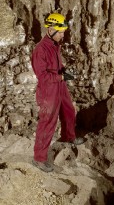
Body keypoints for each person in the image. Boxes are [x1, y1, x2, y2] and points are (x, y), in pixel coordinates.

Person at [31, 13, 84, 172]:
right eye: (60, 32)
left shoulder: (55, 44)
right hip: (48, 90)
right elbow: (43, 76)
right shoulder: (41, 49)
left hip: (59, 85)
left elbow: (54, 67)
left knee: (69, 111)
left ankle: (69, 136)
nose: (63, 35)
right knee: (47, 122)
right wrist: (61, 76)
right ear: (51, 29)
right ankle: (39, 159)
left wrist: (65, 72)